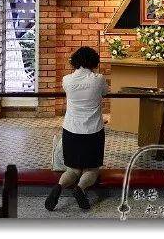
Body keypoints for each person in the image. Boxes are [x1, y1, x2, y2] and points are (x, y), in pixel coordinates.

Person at [45, 46, 108, 211]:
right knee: (91, 169)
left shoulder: (67, 80)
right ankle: (80, 188)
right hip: (93, 131)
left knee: (72, 169)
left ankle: (59, 187)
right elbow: (105, 93)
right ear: (94, 61)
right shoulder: (99, 79)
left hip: (71, 130)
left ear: (74, 61)